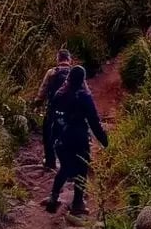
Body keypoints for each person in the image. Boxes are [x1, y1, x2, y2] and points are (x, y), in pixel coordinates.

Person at [43, 65, 109, 215]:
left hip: (60, 139)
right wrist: (104, 140)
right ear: (82, 80)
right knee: (81, 170)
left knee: (65, 168)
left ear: (69, 78)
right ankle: (77, 203)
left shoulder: (59, 94)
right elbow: (94, 122)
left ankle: (53, 197)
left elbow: (52, 117)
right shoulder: (84, 97)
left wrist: (52, 138)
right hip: (79, 139)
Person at [35, 48, 73, 170]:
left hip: (53, 109)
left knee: (48, 134)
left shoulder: (51, 73)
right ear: (69, 59)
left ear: (58, 59)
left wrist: (37, 103)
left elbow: (43, 90)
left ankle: (50, 162)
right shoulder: (75, 73)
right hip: (71, 111)